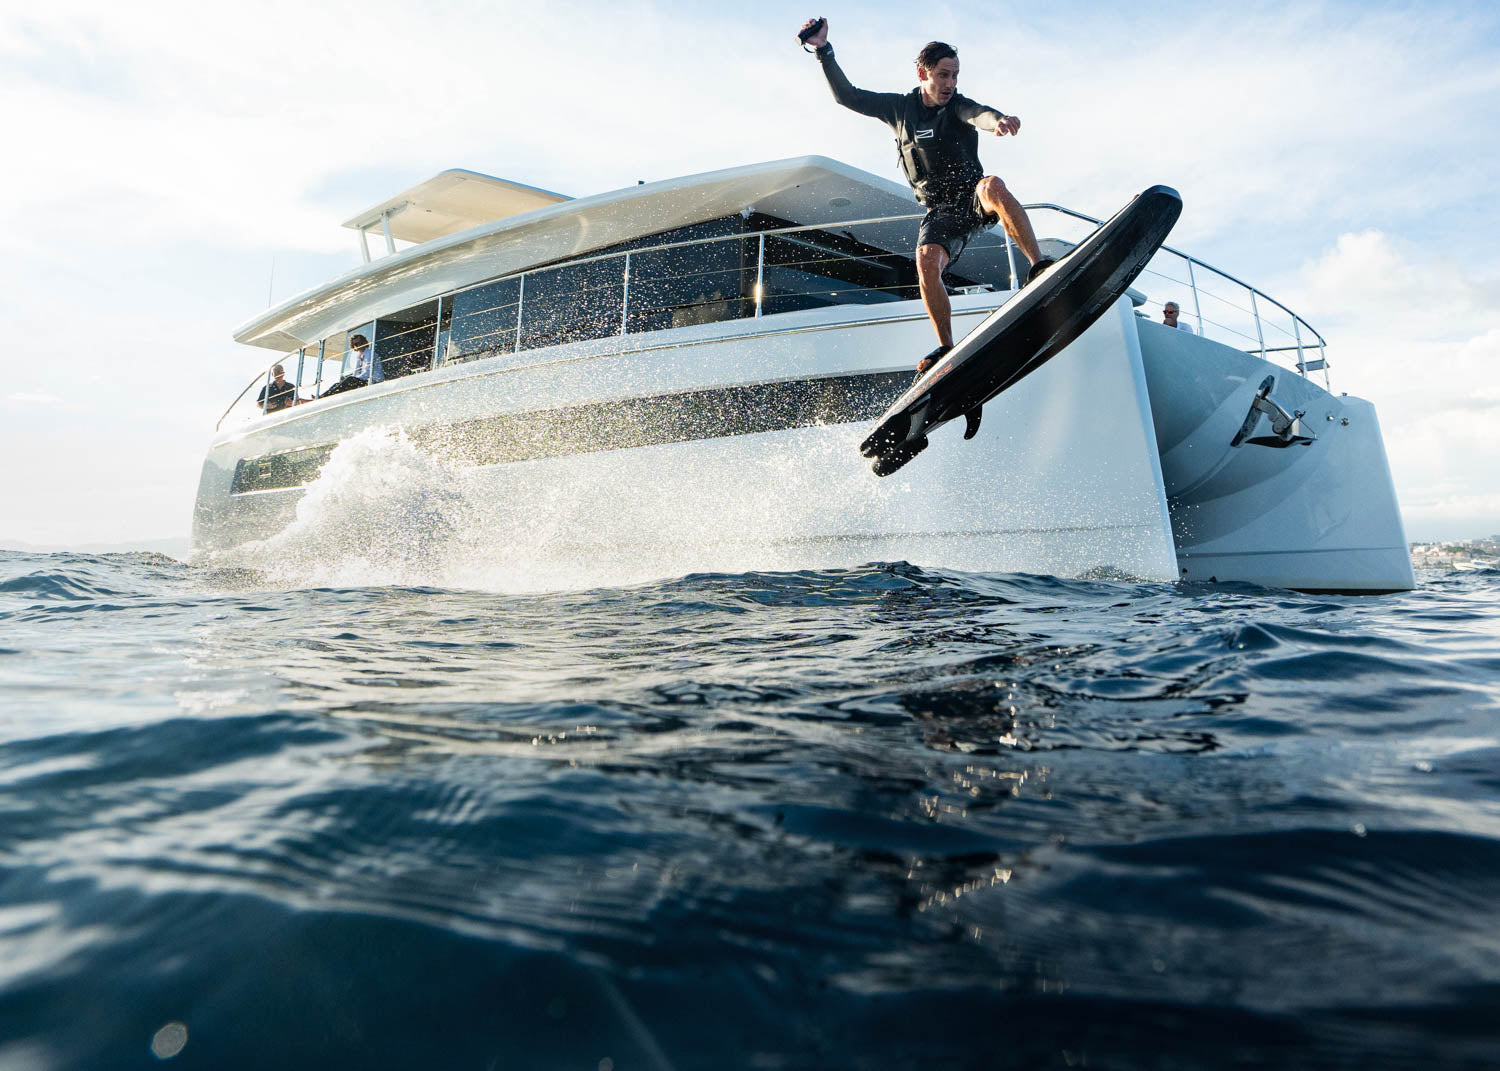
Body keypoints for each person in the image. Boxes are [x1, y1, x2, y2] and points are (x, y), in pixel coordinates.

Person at [801, 18, 1053, 373]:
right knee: (925, 260)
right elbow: (848, 96)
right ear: (924, 74)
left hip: (972, 197)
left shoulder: (957, 106)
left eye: (955, 75)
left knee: (993, 185)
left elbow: (977, 113)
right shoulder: (900, 110)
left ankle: (1039, 265)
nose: (950, 83)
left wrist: (996, 120)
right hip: (940, 211)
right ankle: (947, 348)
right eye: (943, 75)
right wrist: (823, 51)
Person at [319, 332, 384, 397]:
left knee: (350, 380)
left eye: (360, 343)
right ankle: (321, 396)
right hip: (364, 380)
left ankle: (324, 396)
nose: (358, 345)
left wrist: (355, 379)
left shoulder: (369, 353)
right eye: (355, 344)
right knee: (337, 384)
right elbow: (356, 372)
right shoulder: (359, 356)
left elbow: (368, 372)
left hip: (374, 381)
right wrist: (355, 379)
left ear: (364, 342)